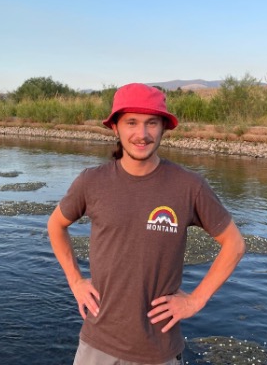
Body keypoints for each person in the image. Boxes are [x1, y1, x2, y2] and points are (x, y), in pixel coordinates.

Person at [47, 83, 245, 365]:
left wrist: (195, 300)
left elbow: (234, 244)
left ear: (164, 127)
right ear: (115, 127)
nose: (141, 134)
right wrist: (76, 281)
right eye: (131, 123)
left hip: (158, 350)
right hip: (96, 345)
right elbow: (56, 225)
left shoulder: (189, 187)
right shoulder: (91, 182)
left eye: (151, 123)